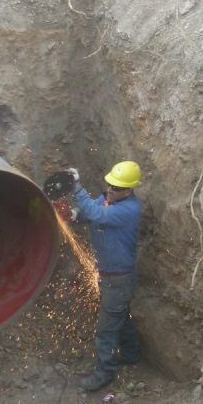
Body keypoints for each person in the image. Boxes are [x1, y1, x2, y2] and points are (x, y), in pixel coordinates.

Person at [69, 160, 143, 391]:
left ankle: (104, 374)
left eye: (118, 187)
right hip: (112, 276)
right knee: (121, 316)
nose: (111, 189)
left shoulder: (130, 210)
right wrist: (74, 214)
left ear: (130, 189)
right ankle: (131, 355)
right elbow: (90, 213)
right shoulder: (107, 199)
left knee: (106, 330)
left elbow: (97, 214)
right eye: (110, 184)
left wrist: (77, 188)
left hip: (118, 278)